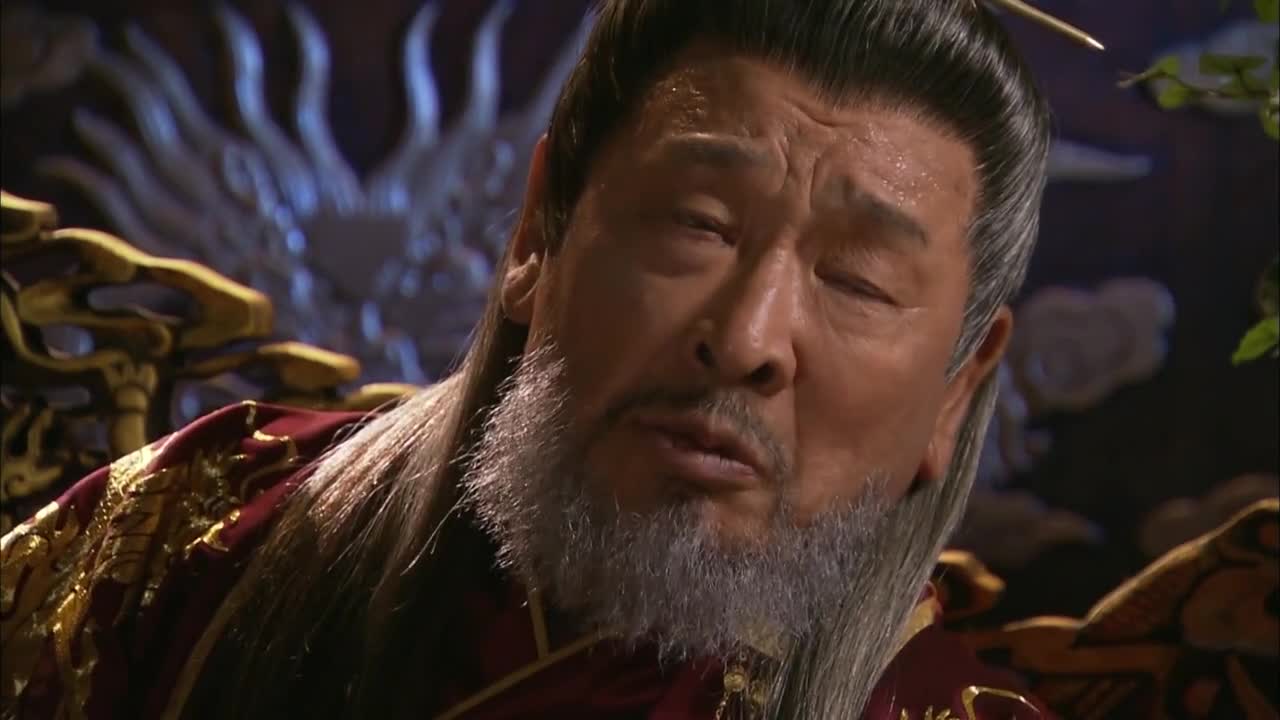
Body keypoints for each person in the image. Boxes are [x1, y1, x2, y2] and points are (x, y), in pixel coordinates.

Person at [2, 0, 1060, 717]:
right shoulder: (192, 534)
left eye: (857, 281)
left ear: (957, 390)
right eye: (697, 223)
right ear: (536, 235)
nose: (744, 340)